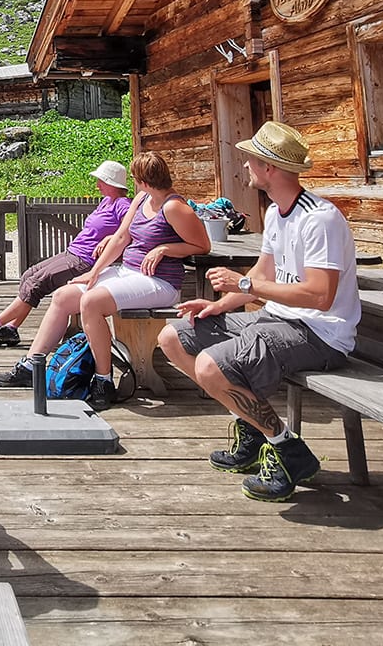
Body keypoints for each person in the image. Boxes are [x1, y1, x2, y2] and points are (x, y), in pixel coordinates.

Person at [156, 122, 361, 501]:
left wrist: (245, 287)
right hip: (277, 320)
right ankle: (251, 428)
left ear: (270, 167)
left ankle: (288, 451)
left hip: (320, 334)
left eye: (251, 159)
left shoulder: (320, 219)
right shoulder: (276, 214)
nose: (246, 166)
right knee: (174, 336)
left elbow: (320, 297)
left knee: (211, 366)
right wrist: (218, 305)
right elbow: (262, 274)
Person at [0, 152, 210, 408]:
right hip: (128, 272)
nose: (133, 183)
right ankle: (33, 366)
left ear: (144, 180)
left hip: (160, 282)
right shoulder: (142, 199)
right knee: (63, 296)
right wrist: (94, 272)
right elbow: (120, 238)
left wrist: (165, 249)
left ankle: (103, 380)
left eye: (135, 178)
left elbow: (202, 245)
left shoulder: (174, 207)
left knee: (91, 302)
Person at [0, 160, 132, 347]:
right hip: (73, 252)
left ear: (111, 183)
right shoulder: (107, 201)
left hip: (86, 260)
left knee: (37, 282)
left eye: (101, 180)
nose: (97, 185)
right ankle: (11, 329)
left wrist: (110, 238)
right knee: (29, 274)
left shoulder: (123, 204)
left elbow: (133, 230)